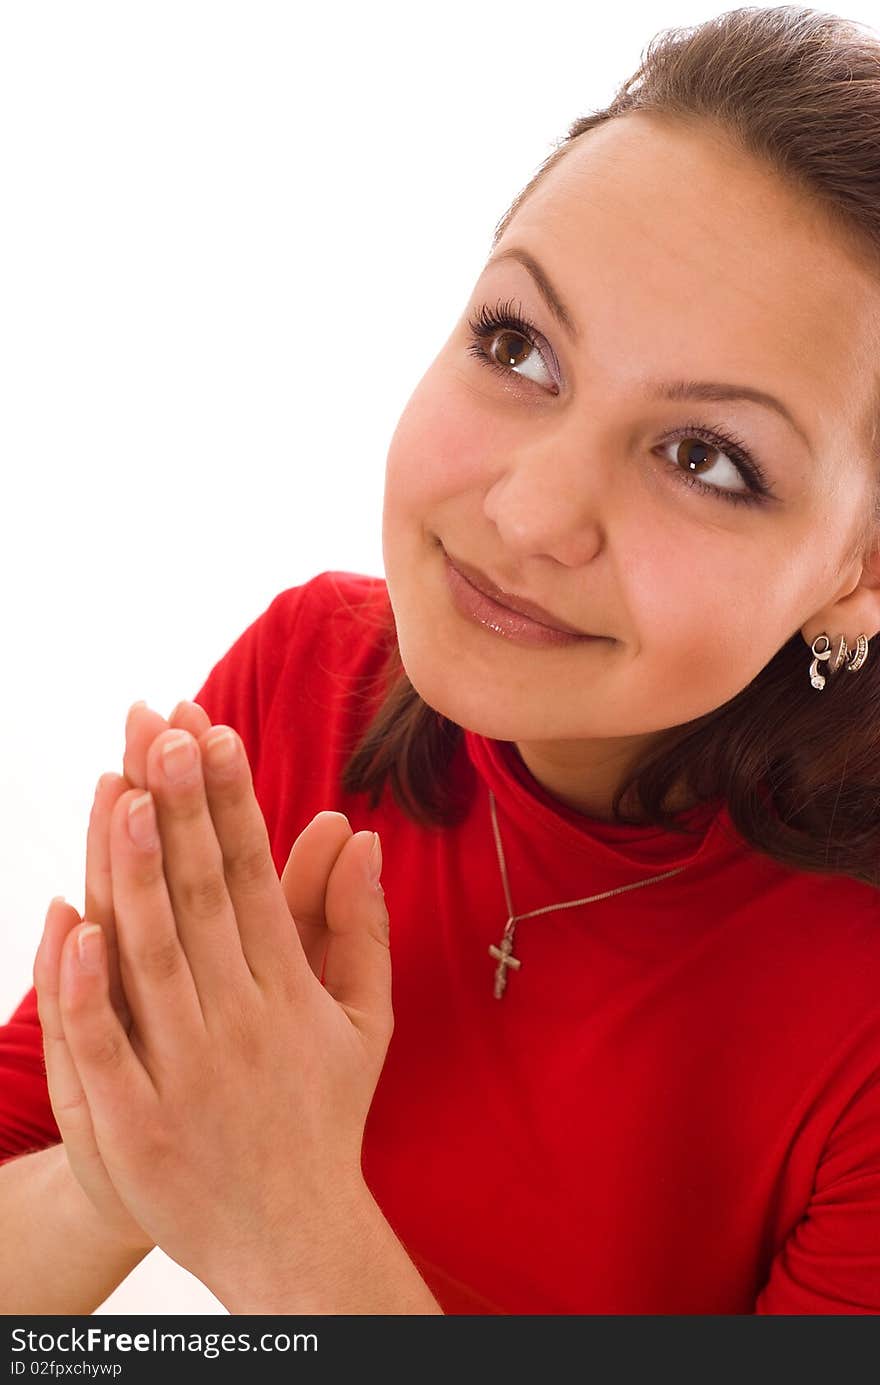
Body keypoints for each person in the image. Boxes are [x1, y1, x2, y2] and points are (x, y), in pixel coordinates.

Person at [3, 3, 880, 1314]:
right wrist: (138, 1158)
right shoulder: (309, 685)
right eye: (519, 346)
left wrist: (285, 1218)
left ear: (857, 574)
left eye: (706, 457)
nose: (526, 514)